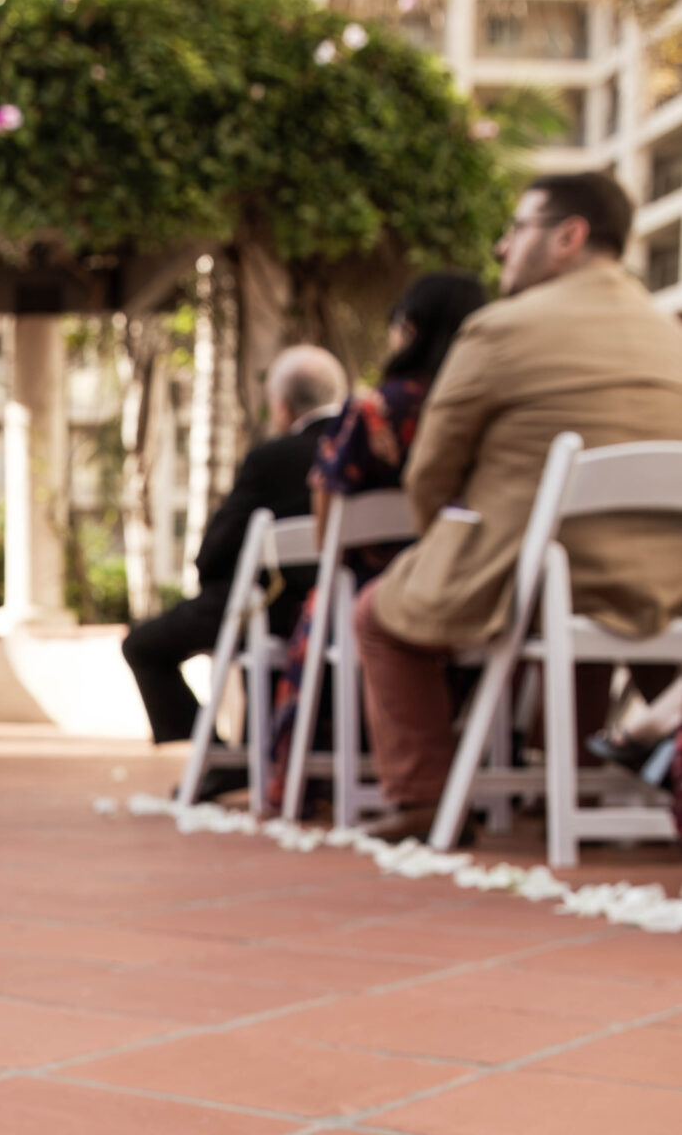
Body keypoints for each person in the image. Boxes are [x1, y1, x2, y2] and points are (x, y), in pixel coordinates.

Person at [354, 170, 682, 837]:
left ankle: (423, 800)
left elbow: (430, 472)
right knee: (617, 618)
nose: (503, 246)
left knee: (377, 615)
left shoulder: (500, 328)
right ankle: (570, 789)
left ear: (569, 236)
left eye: (517, 228)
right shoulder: (669, 334)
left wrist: (438, 544)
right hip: (668, 585)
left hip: (534, 576)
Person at [267, 274, 488, 805]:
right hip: (471, 578)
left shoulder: (374, 409)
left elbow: (328, 515)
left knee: (340, 608)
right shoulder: (485, 409)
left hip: (373, 586)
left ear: (408, 329)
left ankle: (308, 781)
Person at [119, 347, 348, 776]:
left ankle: (221, 759)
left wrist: (215, 580)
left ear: (282, 405)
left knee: (143, 645)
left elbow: (217, 548)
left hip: (273, 610)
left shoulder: (272, 458)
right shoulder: (369, 452)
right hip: (351, 610)